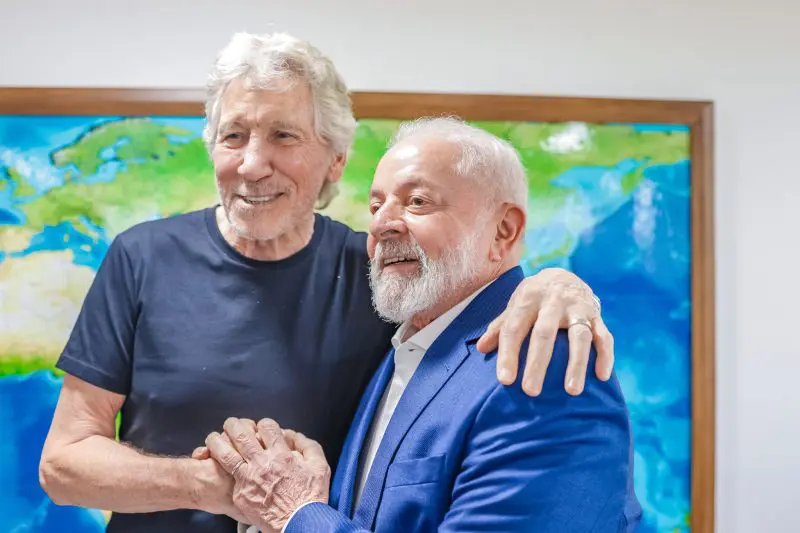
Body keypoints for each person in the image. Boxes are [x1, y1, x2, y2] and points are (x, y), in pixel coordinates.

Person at [39, 32, 615, 533]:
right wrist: (213, 485)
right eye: (233, 136)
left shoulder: (379, 270)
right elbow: (62, 463)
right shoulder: (142, 256)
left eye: (284, 136)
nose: (252, 163)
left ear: (335, 161)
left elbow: (467, 292)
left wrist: (557, 285)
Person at [205, 117, 641, 532]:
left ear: (504, 231)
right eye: (376, 205)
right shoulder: (408, 347)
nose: (381, 224)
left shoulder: (542, 366)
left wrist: (297, 514)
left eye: (417, 201)